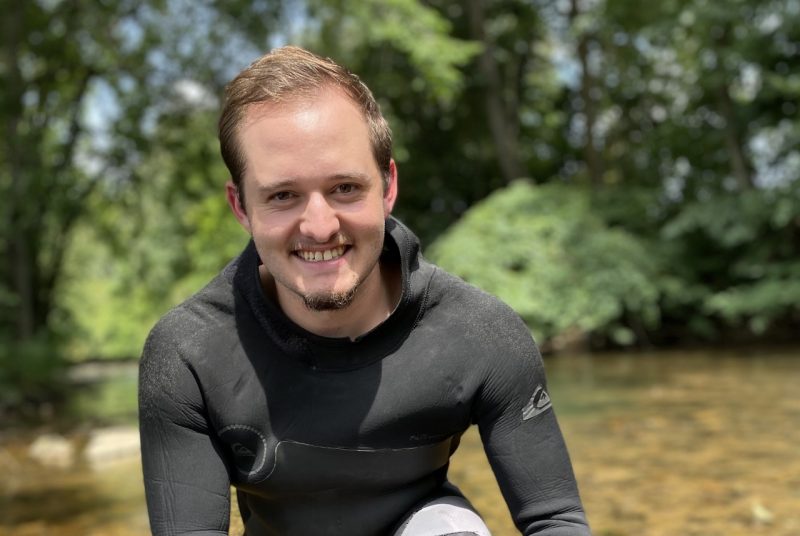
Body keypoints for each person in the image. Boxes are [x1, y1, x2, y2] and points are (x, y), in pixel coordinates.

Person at [138, 46, 591, 536]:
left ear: (388, 185)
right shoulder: (187, 355)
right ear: (241, 207)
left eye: (345, 188)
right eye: (283, 195)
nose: (318, 225)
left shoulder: (481, 335)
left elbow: (555, 519)